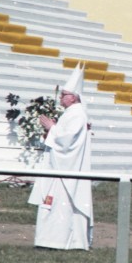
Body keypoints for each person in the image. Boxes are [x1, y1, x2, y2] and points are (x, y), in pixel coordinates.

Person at [28, 64, 93, 250]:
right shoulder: (70, 113)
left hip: (66, 170)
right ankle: (48, 239)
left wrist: (52, 129)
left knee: (59, 205)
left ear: (73, 97)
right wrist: (52, 130)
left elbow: (67, 142)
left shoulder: (78, 114)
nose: (61, 97)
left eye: (64, 94)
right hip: (58, 167)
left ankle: (58, 241)